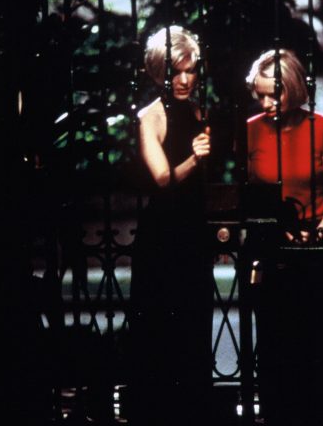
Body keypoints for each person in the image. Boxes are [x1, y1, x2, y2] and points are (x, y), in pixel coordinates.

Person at [245, 49, 323, 426]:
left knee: (309, 344)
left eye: (273, 94)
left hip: (312, 248)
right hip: (268, 246)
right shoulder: (250, 130)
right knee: (271, 345)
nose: (266, 103)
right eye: (259, 95)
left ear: (292, 88)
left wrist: (317, 233)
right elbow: (247, 195)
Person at [129, 26, 213, 426]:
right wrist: (195, 159)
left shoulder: (198, 113)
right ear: (156, 72)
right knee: (160, 328)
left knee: (195, 325)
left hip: (194, 230)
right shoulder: (150, 117)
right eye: (174, 72)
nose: (183, 79)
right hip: (162, 235)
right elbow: (162, 179)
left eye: (190, 70)